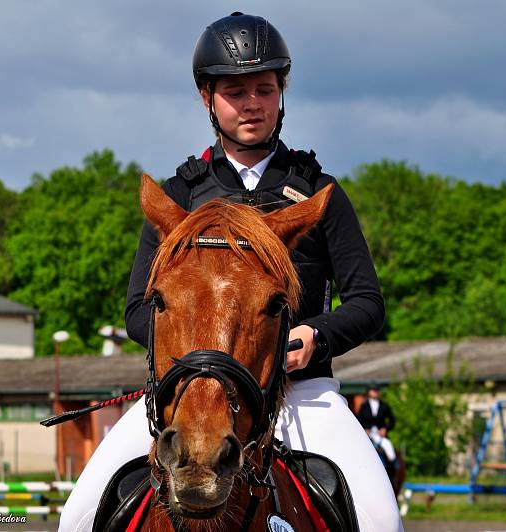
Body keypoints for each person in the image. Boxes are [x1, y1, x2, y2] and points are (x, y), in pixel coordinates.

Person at [59, 12, 402, 532]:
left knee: (381, 518)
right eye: (235, 91)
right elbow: (136, 311)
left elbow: (367, 302)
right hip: (189, 392)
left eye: (264, 88)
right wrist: (195, 356)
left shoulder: (319, 193)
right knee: (77, 515)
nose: (252, 103)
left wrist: (316, 336)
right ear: (208, 98)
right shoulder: (179, 196)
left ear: (281, 92)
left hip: (302, 392)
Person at [357, 384, 398, 473]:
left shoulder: (384, 406)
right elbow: (359, 421)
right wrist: (364, 430)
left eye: (377, 390)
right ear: (369, 392)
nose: (375, 392)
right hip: (367, 435)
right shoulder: (364, 406)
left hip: (380, 435)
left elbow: (392, 420)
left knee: (389, 448)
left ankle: (393, 470)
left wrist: (385, 429)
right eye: (373, 390)